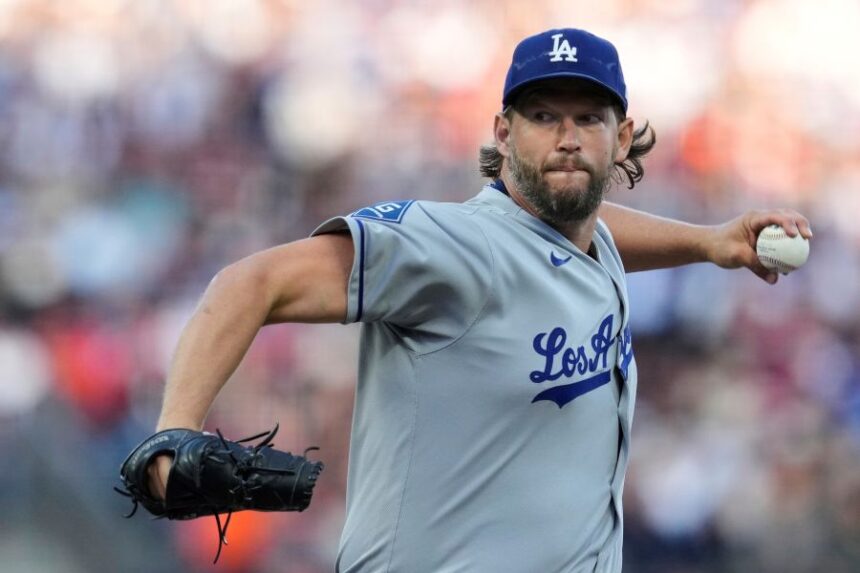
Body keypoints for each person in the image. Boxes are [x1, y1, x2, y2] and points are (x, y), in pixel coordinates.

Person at [145, 28, 812, 572]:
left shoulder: (590, 242)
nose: (568, 138)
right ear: (502, 131)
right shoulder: (450, 245)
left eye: (588, 118)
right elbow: (248, 283)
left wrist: (711, 242)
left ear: (621, 134)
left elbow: (594, 232)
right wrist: (175, 428)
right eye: (543, 117)